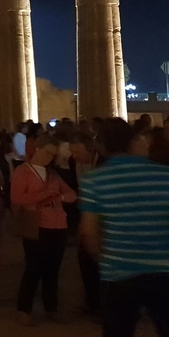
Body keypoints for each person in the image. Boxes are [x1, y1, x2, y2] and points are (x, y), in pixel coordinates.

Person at [79, 118, 169, 337]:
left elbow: (88, 232)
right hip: (164, 271)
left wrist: (105, 260)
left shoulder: (95, 179)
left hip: (118, 275)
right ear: (133, 142)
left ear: (103, 148)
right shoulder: (165, 175)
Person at [11, 134, 76, 325]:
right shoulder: (23, 172)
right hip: (37, 224)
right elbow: (17, 198)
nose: (49, 159)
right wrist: (44, 195)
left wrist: (61, 198)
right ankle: (24, 309)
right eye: (47, 153)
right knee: (34, 267)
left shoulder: (52, 174)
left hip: (58, 224)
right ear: (37, 149)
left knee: (53, 269)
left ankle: (51, 307)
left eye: (53, 155)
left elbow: (71, 194)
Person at [70, 131, 106, 314]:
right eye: (72, 152)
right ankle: (92, 302)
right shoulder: (75, 164)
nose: (74, 156)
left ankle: (101, 305)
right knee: (85, 261)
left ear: (90, 150)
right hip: (87, 216)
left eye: (77, 152)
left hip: (103, 220)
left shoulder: (103, 164)